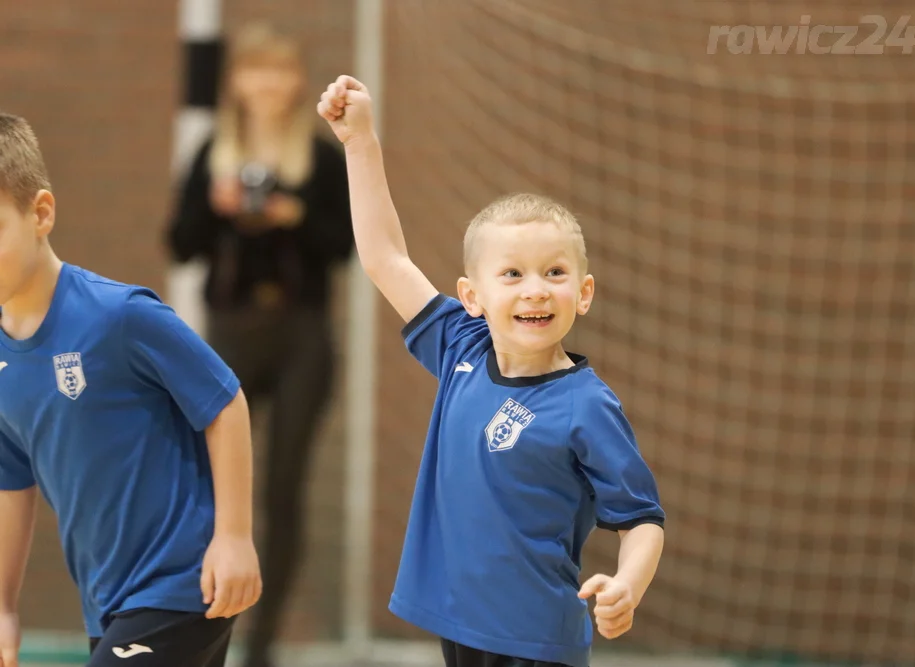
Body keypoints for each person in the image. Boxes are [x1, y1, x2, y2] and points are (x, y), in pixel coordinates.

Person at [316, 76, 666, 667]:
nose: (536, 290)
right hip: (461, 627)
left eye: (554, 273)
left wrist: (627, 585)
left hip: (535, 641)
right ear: (471, 295)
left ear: (583, 293)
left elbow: (642, 519)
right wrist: (359, 142)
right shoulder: (461, 348)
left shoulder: (586, 404)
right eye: (512, 274)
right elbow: (384, 256)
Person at [0, 113, 261, 667]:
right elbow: (10, 480)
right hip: (107, 603)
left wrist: (234, 537)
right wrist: (3, 604)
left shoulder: (118, 315)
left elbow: (225, 403)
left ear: (40, 213)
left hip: (181, 585)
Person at [165, 24, 354, 667]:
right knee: (214, 489)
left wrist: (291, 214)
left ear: (298, 80)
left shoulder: (322, 159)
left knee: (282, 491)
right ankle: (206, 629)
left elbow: (344, 247)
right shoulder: (212, 151)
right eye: (254, 70)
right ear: (236, 82)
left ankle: (261, 647)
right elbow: (180, 244)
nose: (267, 83)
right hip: (228, 337)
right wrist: (219, 210)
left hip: (301, 334)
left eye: (279, 70)